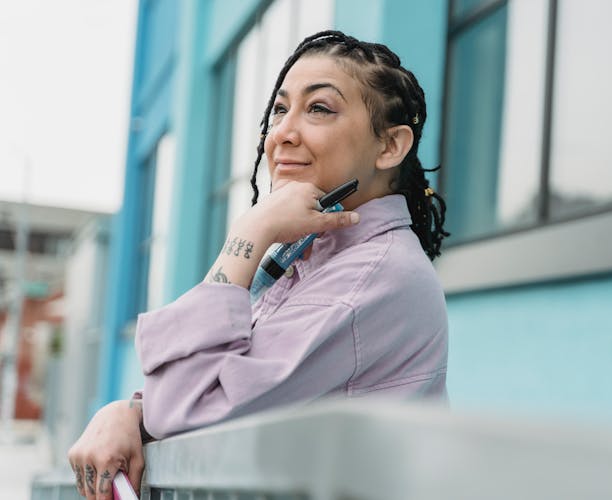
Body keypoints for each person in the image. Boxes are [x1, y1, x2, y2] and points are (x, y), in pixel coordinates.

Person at [68, 30, 449, 499]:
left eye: (319, 109)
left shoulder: (369, 279)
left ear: (390, 146)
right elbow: (215, 384)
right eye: (280, 109)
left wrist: (245, 236)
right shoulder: (315, 255)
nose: (283, 133)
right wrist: (127, 412)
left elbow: (186, 410)